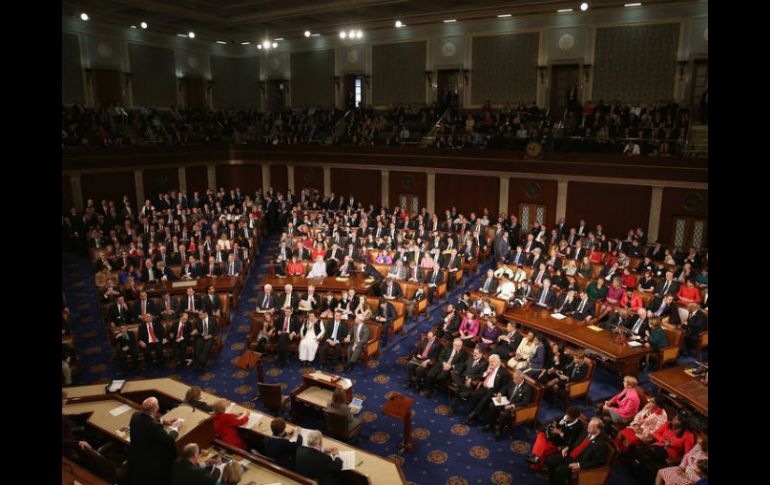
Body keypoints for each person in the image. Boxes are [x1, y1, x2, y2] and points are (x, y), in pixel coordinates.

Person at [128, 397, 181, 485]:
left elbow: (146, 420)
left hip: (135, 456)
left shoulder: (135, 415)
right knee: (170, 451)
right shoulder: (154, 426)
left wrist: (162, 421)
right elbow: (169, 440)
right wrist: (175, 428)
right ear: (156, 408)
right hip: (151, 462)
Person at [545, 416, 609, 485]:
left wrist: (579, 465)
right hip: (570, 455)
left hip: (579, 463)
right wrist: (568, 447)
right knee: (550, 460)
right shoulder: (586, 430)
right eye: (589, 425)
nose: (588, 427)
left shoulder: (601, 445)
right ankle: (553, 481)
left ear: (598, 429)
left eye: (591, 426)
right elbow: (575, 440)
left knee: (560, 471)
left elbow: (598, 463)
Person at [526, 406, 585, 471]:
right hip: (552, 436)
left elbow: (571, 442)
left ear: (574, 418)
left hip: (558, 444)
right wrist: (554, 424)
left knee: (544, 448)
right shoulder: (565, 417)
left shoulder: (578, 428)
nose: (566, 417)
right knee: (540, 435)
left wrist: (560, 433)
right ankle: (536, 458)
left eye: (569, 417)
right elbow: (557, 421)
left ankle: (535, 464)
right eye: (567, 415)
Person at [486, 369, 533, 440]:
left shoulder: (527, 388)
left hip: (514, 407)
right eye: (513, 377)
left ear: (521, 378)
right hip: (506, 401)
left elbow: (526, 402)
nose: (513, 380)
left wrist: (512, 405)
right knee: (492, 405)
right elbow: (505, 388)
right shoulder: (513, 382)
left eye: (515, 378)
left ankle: (500, 431)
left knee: (505, 414)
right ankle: (490, 424)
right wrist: (499, 394)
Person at [465, 354, 511, 425]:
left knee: (483, 401)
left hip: (493, 391)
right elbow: (480, 376)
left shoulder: (503, 372)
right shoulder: (489, 367)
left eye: (493, 362)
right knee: (474, 395)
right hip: (484, 387)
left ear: (498, 362)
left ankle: (472, 416)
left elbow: (505, 386)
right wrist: (486, 372)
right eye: (490, 362)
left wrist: (499, 393)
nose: (491, 363)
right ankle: (472, 411)